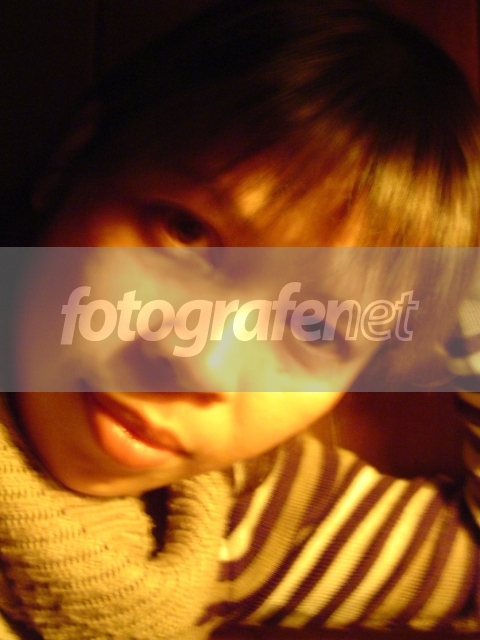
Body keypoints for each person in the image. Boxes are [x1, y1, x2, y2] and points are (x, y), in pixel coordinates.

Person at [0, 0, 479, 638]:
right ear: (72, 159)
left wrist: (457, 283)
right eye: (186, 231)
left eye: (316, 329)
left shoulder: (241, 514)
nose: (204, 361)